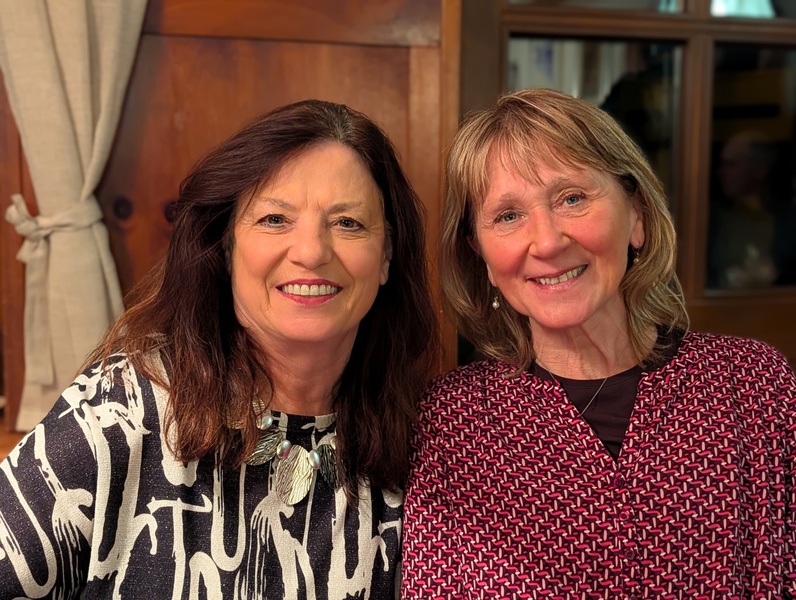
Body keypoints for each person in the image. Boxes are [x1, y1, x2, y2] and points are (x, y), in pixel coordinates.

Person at [0, 99, 438, 599]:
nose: (312, 251)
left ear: (386, 257)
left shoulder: (424, 438)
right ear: (226, 248)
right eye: (275, 219)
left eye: (348, 223)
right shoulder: (119, 410)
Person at [400, 88, 796, 598]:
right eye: (508, 215)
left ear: (636, 215)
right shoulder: (452, 421)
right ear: (482, 256)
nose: (547, 241)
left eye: (572, 198)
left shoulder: (753, 384)